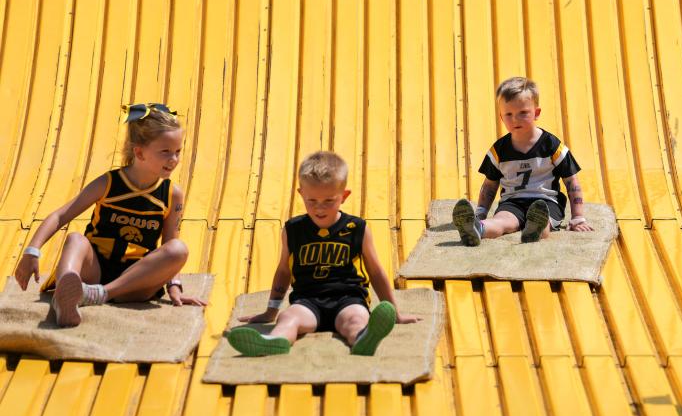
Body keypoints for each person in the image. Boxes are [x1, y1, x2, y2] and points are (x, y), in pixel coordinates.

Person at [13, 103, 206, 327]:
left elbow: (170, 244)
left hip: (135, 282)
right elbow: (60, 216)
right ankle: (65, 296)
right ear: (139, 152)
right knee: (76, 239)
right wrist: (32, 251)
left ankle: (98, 294)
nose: (174, 159)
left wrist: (174, 287)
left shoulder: (173, 193)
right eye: (165, 152)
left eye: (178, 151)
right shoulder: (109, 183)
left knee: (178, 249)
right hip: (94, 269)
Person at [226, 151, 421, 356]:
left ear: (344, 196)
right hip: (308, 301)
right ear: (301, 194)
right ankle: (276, 341)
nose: (319, 208)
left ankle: (363, 339)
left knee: (356, 320)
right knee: (288, 318)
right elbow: (284, 270)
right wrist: (271, 311)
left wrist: (394, 312)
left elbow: (376, 271)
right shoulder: (294, 229)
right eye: (312, 200)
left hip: (349, 299)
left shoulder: (357, 228)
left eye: (329, 200)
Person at [453, 76, 592, 245]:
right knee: (501, 222)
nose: (515, 119)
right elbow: (490, 185)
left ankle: (534, 230)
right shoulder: (499, 150)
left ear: (537, 113)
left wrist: (578, 217)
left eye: (523, 113)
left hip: (546, 202)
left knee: (543, 222)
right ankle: (476, 229)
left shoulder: (552, 146)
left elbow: (571, 182)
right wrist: (480, 213)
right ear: (501, 117)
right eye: (509, 114)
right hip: (513, 202)